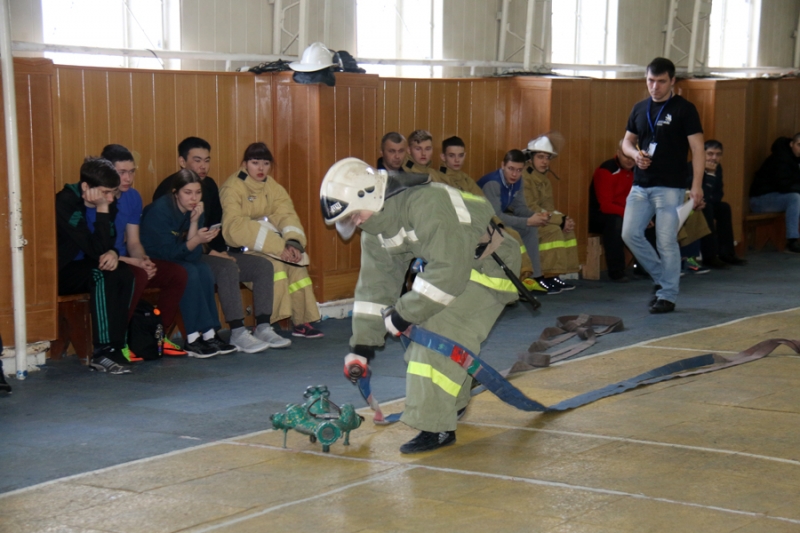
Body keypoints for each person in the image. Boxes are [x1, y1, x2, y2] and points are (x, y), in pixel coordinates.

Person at [320, 157, 521, 454]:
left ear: (370, 194)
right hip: (453, 270)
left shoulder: (427, 203)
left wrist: (403, 314)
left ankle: (436, 426)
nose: (356, 223)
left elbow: (449, 274)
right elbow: (375, 288)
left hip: (490, 269)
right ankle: (452, 404)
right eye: (348, 220)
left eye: (355, 215)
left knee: (439, 331)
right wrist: (361, 349)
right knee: (436, 330)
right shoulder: (376, 224)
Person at [154, 137, 288, 353]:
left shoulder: (209, 185)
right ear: (181, 161)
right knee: (226, 268)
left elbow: (216, 224)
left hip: (210, 250)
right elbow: (170, 240)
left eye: (206, 160)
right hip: (185, 255)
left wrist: (217, 250)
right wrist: (210, 251)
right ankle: (237, 332)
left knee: (263, 266)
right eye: (197, 160)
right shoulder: (168, 190)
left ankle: (263, 326)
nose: (203, 166)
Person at [621, 57, 705, 314]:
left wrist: (696, 185)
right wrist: (635, 156)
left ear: (672, 81)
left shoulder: (684, 109)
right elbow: (625, 142)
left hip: (671, 187)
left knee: (665, 240)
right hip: (641, 185)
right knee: (630, 234)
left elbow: (698, 149)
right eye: (650, 81)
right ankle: (663, 278)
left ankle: (667, 294)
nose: (654, 86)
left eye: (660, 81)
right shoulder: (639, 108)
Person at [220, 142, 323, 338]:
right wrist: (278, 247)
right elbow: (235, 227)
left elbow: (287, 215)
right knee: (275, 266)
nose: (260, 169)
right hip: (244, 250)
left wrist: (293, 243)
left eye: (266, 163)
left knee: (297, 265)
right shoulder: (232, 187)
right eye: (255, 162)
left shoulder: (273, 187)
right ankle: (266, 324)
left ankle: (302, 320)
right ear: (244, 164)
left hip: (271, 245)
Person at [99, 144, 188, 359]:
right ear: (108, 172)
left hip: (128, 258)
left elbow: (134, 241)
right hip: (106, 261)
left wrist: (143, 259)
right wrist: (137, 264)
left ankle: (158, 335)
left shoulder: (133, 197)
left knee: (177, 274)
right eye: (122, 173)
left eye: (132, 172)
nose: (128, 178)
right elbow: (99, 250)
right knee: (136, 276)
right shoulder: (98, 199)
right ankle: (120, 341)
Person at [140, 169, 237, 358]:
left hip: (175, 258)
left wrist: (194, 225)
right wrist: (195, 241)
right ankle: (192, 338)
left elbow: (192, 256)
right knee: (189, 272)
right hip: (151, 261)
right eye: (188, 192)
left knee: (203, 269)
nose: (194, 198)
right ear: (175, 192)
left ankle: (209, 334)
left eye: (197, 192)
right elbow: (169, 254)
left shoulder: (197, 210)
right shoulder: (159, 211)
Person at [56, 157, 135, 374]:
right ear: (85, 187)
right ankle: (102, 351)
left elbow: (106, 243)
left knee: (125, 273)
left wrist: (113, 251)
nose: (110, 198)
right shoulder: (66, 202)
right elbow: (92, 247)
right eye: (105, 193)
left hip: (90, 262)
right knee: (101, 276)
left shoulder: (108, 200)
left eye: (113, 192)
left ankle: (118, 345)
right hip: (63, 271)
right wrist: (101, 209)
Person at [437, 136, 536, 284]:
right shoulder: (438, 178)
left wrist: (498, 224)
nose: (457, 160)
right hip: (459, 228)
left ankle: (520, 279)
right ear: (443, 157)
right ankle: (514, 282)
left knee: (510, 236)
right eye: (452, 156)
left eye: (460, 155)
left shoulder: (466, 179)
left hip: (480, 225)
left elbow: (484, 205)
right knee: (508, 239)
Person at [478, 150, 558, 293]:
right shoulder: (493, 183)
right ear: (503, 166)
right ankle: (519, 279)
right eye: (511, 169)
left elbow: (520, 208)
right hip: (483, 223)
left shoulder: (518, 181)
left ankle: (534, 277)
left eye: (519, 170)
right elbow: (496, 216)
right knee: (516, 232)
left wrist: (537, 216)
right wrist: (528, 221)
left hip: (497, 220)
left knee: (531, 228)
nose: (514, 174)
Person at [521, 135, 579, 289]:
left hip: (538, 218)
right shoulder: (524, 177)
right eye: (540, 157)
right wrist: (559, 221)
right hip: (523, 220)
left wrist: (564, 219)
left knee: (566, 229)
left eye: (547, 158)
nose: (545, 161)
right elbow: (530, 208)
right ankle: (542, 276)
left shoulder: (544, 180)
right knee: (552, 231)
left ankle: (555, 275)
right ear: (530, 158)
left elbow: (548, 208)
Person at [689, 140, 747, 267]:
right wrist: (709, 175)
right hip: (690, 204)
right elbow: (697, 193)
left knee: (724, 208)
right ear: (701, 154)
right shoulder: (692, 167)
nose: (714, 158)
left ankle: (727, 253)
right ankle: (710, 256)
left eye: (718, 154)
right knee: (707, 208)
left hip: (707, 202)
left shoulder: (717, 169)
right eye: (710, 154)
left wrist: (711, 176)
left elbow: (718, 193)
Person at [589, 141, 636, 281]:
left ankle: (647, 268)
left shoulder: (638, 171)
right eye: (626, 156)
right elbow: (605, 206)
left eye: (633, 157)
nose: (629, 160)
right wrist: (631, 216)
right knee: (616, 222)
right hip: (599, 215)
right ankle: (616, 271)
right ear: (618, 152)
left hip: (626, 212)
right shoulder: (606, 170)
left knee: (653, 220)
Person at [749, 133, 800, 254]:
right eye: (799, 145)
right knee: (795, 198)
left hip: (778, 198)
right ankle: (792, 241)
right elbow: (784, 185)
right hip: (760, 200)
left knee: (796, 197)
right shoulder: (780, 158)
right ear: (791, 144)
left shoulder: (795, 159)